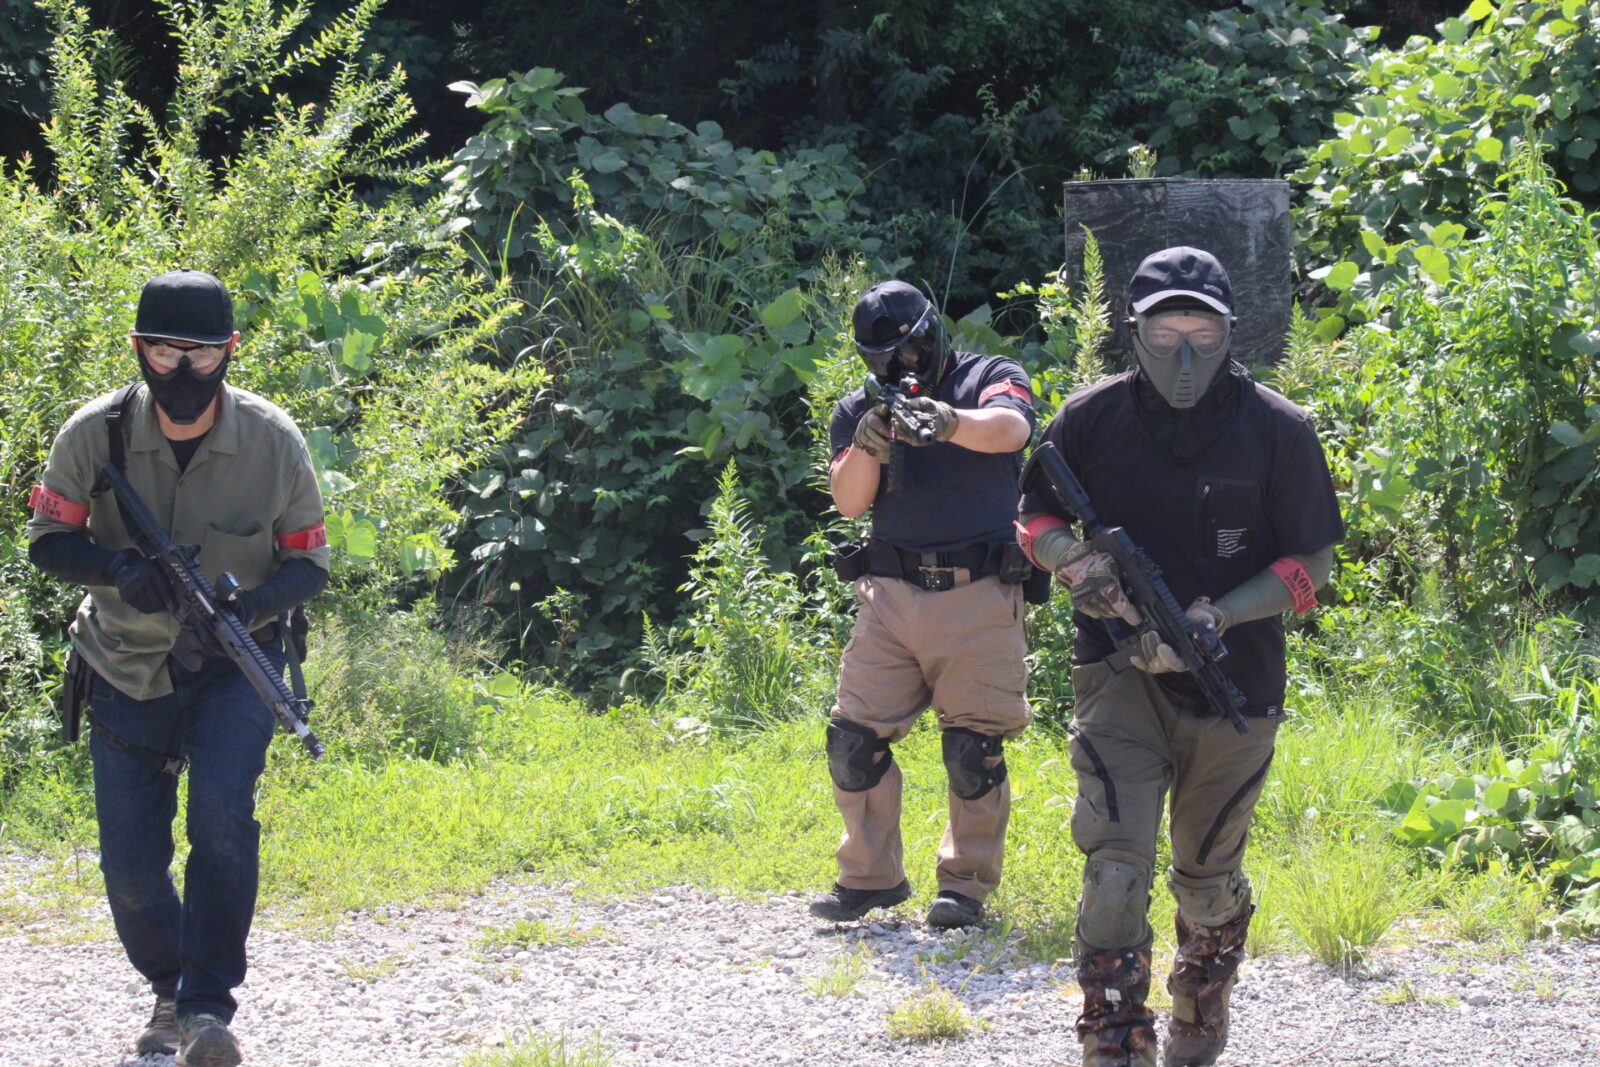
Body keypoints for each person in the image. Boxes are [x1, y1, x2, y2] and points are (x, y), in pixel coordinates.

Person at [1016, 247, 1344, 1067]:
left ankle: (1201, 992)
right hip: (1117, 673)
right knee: (1114, 872)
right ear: (1134, 332)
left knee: (1206, 880)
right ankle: (1114, 1037)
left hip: (1237, 681)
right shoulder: (1089, 419)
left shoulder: (1280, 430)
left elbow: (1315, 563)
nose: (1185, 356)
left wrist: (1219, 614)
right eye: (1167, 334)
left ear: (1233, 331)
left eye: (1203, 332)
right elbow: (1032, 516)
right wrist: (1074, 562)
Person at [26, 269, 330, 1067]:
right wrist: (117, 570)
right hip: (125, 660)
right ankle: (169, 982)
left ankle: (204, 1007)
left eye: (201, 353)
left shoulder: (273, 440)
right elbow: (48, 541)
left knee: (222, 819)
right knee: (130, 866)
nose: (183, 370)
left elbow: (311, 563)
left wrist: (250, 605)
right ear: (138, 348)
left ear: (231, 350)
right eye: (164, 352)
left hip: (236, 664)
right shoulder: (93, 434)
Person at [809, 279, 1039, 930]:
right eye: (884, 359)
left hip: (978, 591)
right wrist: (868, 443)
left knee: (972, 751)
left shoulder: (986, 376)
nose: (902, 366)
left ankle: (963, 887)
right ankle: (870, 877)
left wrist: (948, 421)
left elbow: (1013, 428)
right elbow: (849, 501)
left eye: (910, 350)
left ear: (933, 332)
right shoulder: (858, 409)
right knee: (852, 741)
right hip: (890, 597)